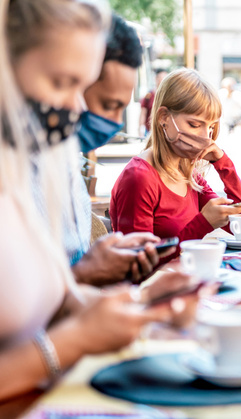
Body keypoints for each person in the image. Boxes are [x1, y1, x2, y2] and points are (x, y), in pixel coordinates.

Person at [0, 0, 193, 401]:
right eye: (62, 83)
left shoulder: (20, 168)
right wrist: (74, 340)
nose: (76, 105)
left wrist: (145, 302)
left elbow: (51, 303)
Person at [71, 13, 169, 286]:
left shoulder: (65, 165)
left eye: (122, 108)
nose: (115, 123)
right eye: (108, 105)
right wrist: (86, 273)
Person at [110, 68, 241, 248]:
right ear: (164, 118)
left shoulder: (188, 174)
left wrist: (222, 162)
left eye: (211, 127)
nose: (206, 137)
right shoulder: (139, 177)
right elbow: (138, 264)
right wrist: (203, 224)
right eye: (194, 124)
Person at [139, 68, 167, 137]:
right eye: (161, 78)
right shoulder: (149, 96)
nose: (162, 80)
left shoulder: (168, 96)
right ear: (156, 79)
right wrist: (141, 129)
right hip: (149, 132)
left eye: (165, 78)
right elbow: (143, 113)